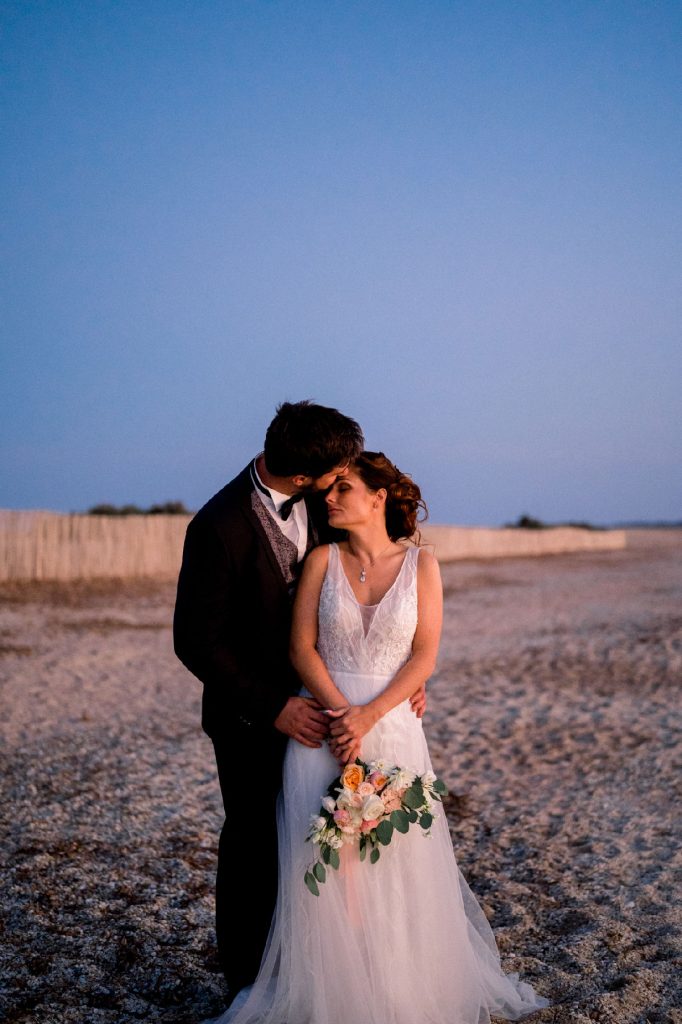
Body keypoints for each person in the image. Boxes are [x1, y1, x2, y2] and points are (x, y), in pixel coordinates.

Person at [210, 451, 549, 1024]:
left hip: (392, 728)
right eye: (330, 488)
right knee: (321, 861)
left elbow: (425, 656)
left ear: (378, 497)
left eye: (343, 487)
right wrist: (345, 715)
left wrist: (370, 718)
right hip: (323, 729)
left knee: (392, 865)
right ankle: (332, 995)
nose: (330, 497)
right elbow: (301, 649)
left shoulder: (423, 565)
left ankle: (394, 989)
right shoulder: (322, 558)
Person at [173, 404, 427, 1005]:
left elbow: (371, 591)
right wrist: (274, 707)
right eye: (334, 472)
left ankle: (328, 973)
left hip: (335, 700)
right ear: (304, 475)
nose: (342, 481)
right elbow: (195, 641)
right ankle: (250, 987)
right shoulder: (218, 526)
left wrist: (396, 674)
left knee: (334, 842)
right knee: (256, 844)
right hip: (251, 714)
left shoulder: (323, 503)